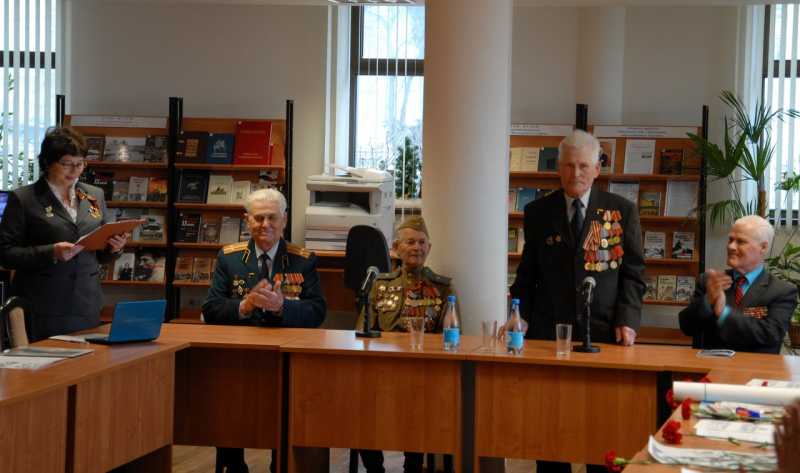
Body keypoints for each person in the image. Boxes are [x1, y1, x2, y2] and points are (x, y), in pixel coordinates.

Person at [507, 129, 646, 473]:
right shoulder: (538, 211)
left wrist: (628, 319)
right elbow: (527, 272)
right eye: (569, 165)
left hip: (603, 332)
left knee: (601, 428)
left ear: (597, 168)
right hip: (548, 331)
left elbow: (633, 273)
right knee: (549, 426)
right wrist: (518, 313)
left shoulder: (622, 210)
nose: (576, 173)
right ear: (558, 168)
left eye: (584, 166)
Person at [202, 187, 326, 473]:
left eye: (272, 218)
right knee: (229, 409)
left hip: (286, 357)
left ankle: (279, 465)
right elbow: (211, 309)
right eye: (258, 218)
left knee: (284, 415)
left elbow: (318, 310)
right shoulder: (229, 258)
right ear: (247, 221)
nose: (265, 225)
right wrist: (244, 306)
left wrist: (282, 307)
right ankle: (234, 466)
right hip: (239, 356)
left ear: (284, 220)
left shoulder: (303, 259)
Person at [0, 126, 129, 341]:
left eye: (80, 164)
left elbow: (100, 254)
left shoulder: (93, 195)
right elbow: (5, 254)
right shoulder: (24, 199)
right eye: (67, 164)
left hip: (85, 302)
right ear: (47, 162)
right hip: (42, 304)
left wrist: (115, 247)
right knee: (46, 362)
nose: (75, 171)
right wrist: (51, 252)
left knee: (88, 360)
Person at [355, 215, 458, 473]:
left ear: (429, 248)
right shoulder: (379, 285)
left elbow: (452, 339)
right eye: (410, 242)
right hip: (382, 373)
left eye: (422, 242)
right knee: (360, 409)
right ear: (396, 248)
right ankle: (375, 469)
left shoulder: (443, 288)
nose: (417, 248)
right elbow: (362, 333)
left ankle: (412, 467)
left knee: (418, 408)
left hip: (424, 373)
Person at [679, 215, 797, 354]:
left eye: (740, 241)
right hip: (709, 364)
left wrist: (724, 314)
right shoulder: (710, 282)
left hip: (755, 366)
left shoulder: (782, 291)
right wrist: (707, 302)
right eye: (730, 239)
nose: (731, 246)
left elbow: (770, 335)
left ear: (763, 247)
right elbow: (687, 327)